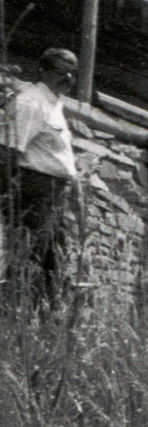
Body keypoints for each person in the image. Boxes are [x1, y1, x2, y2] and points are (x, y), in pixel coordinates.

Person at [0, 48, 78, 305]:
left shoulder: (54, 104)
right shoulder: (30, 101)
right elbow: (8, 151)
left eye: (71, 73)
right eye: (59, 71)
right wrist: (8, 198)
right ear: (42, 70)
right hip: (33, 189)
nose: (67, 78)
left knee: (55, 257)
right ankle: (14, 313)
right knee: (32, 254)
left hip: (53, 193)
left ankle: (43, 320)